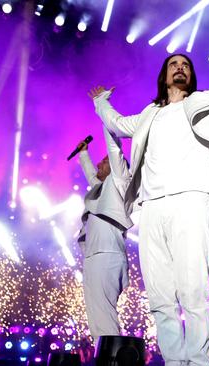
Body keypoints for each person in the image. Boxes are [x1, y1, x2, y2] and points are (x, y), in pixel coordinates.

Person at [88, 5, 209, 365]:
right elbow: (118, 124)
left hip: (191, 204)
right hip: (152, 211)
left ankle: (197, 362)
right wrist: (100, 102)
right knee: (161, 299)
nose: (180, 67)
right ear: (165, 77)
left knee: (194, 294)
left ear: (191, 76)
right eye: (173, 64)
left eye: (185, 64)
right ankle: (173, 361)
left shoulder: (206, 102)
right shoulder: (150, 115)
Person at [75, 125, 133, 341]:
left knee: (104, 317)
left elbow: (115, 156)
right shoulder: (103, 193)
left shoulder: (119, 184)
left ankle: (114, 359)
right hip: (94, 258)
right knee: (96, 319)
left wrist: (107, 121)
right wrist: (83, 154)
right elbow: (93, 178)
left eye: (105, 161)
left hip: (106, 256)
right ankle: (105, 356)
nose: (99, 164)